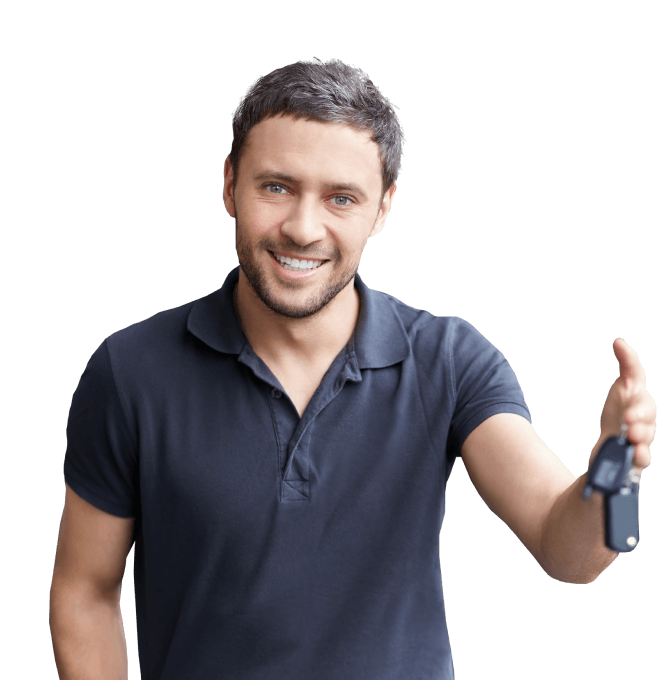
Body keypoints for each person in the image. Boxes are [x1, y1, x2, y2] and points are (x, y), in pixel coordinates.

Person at [50, 58, 655, 679]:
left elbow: (569, 555)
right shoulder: (129, 371)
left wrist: (617, 475)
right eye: (276, 187)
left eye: (340, 198)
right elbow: (84, 593)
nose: (302, 228)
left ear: (383, 208)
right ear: (229, 184)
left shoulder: (450, 361)